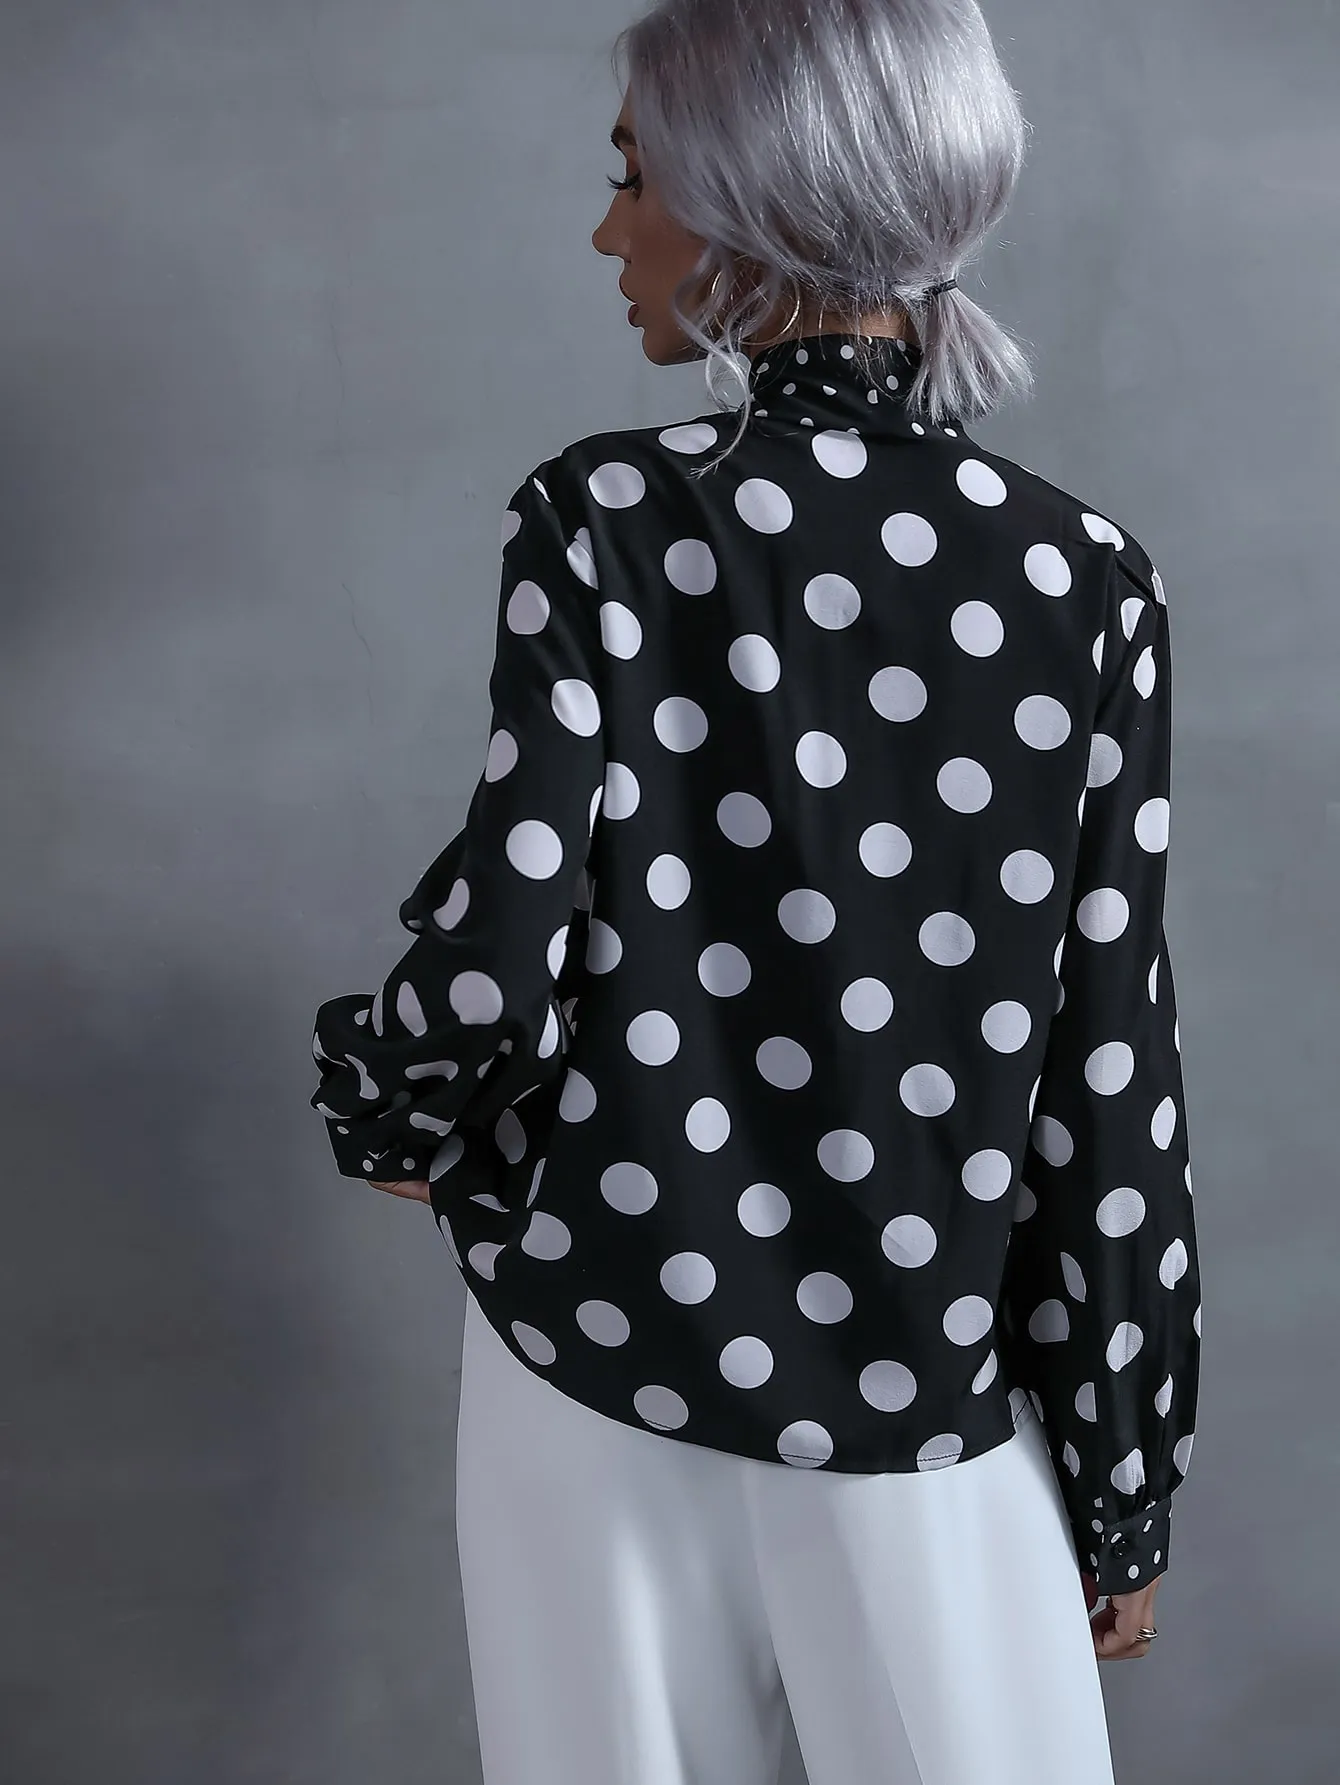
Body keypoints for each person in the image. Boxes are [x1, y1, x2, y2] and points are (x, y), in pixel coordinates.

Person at [310, 1, 1201, 1779]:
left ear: (745, 202)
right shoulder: (1087, 577)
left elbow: (501, 943)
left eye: (633, 179)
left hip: (598, 1350)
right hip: (925, 1380)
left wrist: (390, 1107)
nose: (607, 231)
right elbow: (1109, 1067)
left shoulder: (605, 520)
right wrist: (1120, 1473)